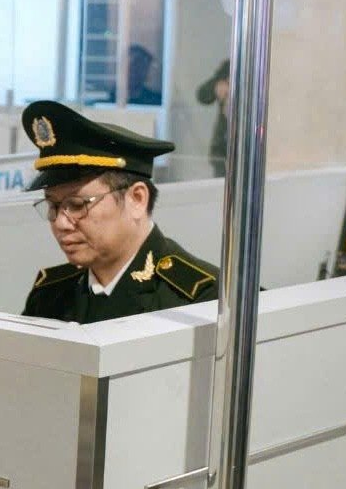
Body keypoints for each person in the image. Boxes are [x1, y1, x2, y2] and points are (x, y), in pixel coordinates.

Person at [19, 100, 218, 323]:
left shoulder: (204, 301)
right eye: (53, 206)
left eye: (77, 205)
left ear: (137, 199)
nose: (61, 224)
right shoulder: (50, 295)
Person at [196, 59, 231, 176]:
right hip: (223, 148)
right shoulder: (230, 66)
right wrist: (216, 87)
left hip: (249, 148)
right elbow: (202, 95)